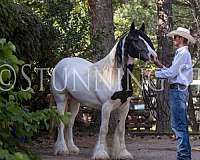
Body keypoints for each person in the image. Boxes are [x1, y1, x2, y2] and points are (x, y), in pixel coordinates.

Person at [145, 27, 196, 160]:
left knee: (178, 125)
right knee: (180, 124)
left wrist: (152, 73)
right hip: (179, 90)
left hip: (178, 91)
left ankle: (183, 157)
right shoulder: (182, 54)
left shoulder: (183, 53)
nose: (174, 39)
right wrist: (158, 64)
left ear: (182, 39)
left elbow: (171, 73)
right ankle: (184, 156)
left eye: (176, 37)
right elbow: (173, 72)